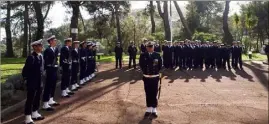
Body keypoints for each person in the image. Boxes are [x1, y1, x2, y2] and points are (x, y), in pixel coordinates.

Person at [22, 39, 45, 124]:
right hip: (32, 82)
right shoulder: (31, 58)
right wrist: (27, 80)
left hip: (39, 82)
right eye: (39, 45)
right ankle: (28, 117)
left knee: (38, 98)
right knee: (30, 99)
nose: (41, 47)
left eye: (41, 45)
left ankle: (35, 113)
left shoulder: (41, 56)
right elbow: (25, 71)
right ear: (34, 47)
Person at [139, 41, 162, 119]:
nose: (150, 48)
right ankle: (148, 108)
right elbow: (141, 65)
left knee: (154, 92)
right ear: (146, 47)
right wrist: (146, 72)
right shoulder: (143, 55)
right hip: (146, 77)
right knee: (148, 92)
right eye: (148, 47)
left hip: (155, 76)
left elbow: (160, 66)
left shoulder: (157, 55)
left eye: (151, 47)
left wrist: (155, 73)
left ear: (153, 47)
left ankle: (154, 108)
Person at [42, 35, 59, 111]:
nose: (56, 41)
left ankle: (51, 99)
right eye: (54, 40)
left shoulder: (55, 49)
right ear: (51, 41)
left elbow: (56, 59)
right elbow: (45, 61)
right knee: (48, 86)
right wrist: (47, 68)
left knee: (53, 85)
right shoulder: (47, 50)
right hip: (49, 70)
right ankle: (45, 103)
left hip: (54, 69)